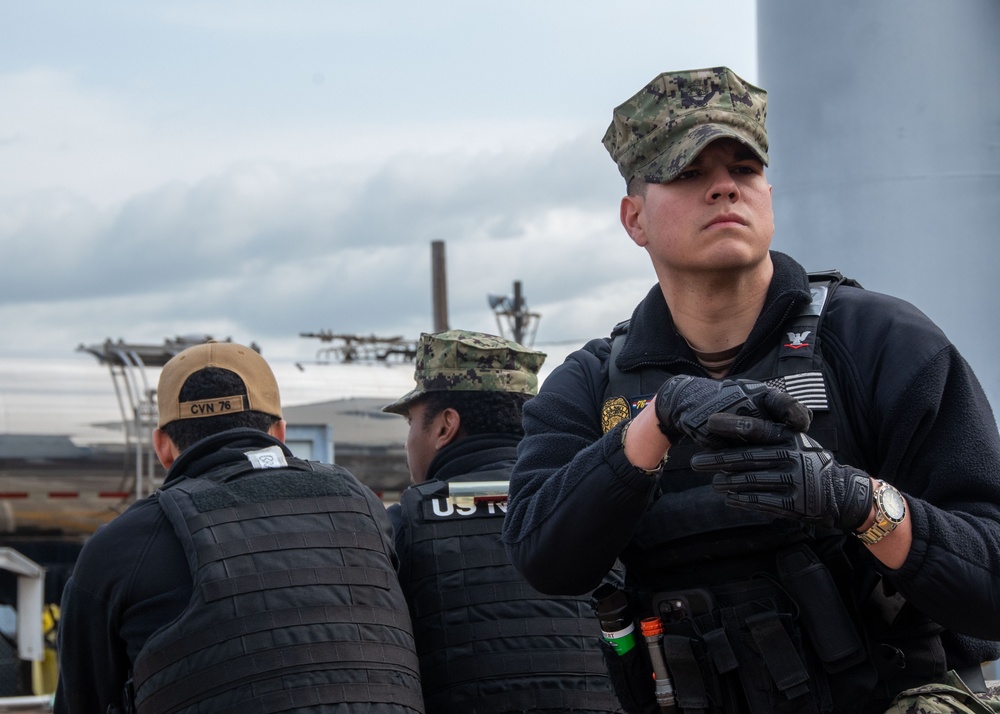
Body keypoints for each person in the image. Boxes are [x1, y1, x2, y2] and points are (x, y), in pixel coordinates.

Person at [501, 67, 1000, 714]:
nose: (724, 188)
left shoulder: (880, 341)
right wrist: (654, 425)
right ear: (635, 219)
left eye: (745, 168)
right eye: (688, 173)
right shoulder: (594, 383)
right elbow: (545, 558)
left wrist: (856, 503)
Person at [55, 340, 424, 714]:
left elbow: (81, 698)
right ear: (279, 432)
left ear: (162, 446)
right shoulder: (364, 507)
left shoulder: (121, 547)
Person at [383, 330, 623, 713]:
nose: (409, 440)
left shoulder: (404, 524)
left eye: (411, 422)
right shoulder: (598, 500)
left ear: (445, 426)